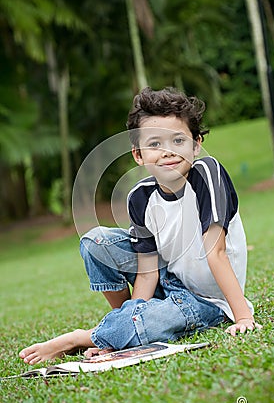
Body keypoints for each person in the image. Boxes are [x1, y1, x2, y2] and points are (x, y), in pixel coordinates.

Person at [19, 87, 261, 365]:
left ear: (196, 144)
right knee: (95, 242)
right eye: (155, 144)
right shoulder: (140, 196)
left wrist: (242, 316)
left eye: (178, 140)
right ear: (138, 155)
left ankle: (79, 337)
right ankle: (123, 328)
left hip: (207, 301)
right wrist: (133, 311)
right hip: (165, 282)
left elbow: (214, 252)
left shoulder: (207, 174)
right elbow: (147, 272)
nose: (167, 152)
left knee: (152, 322)